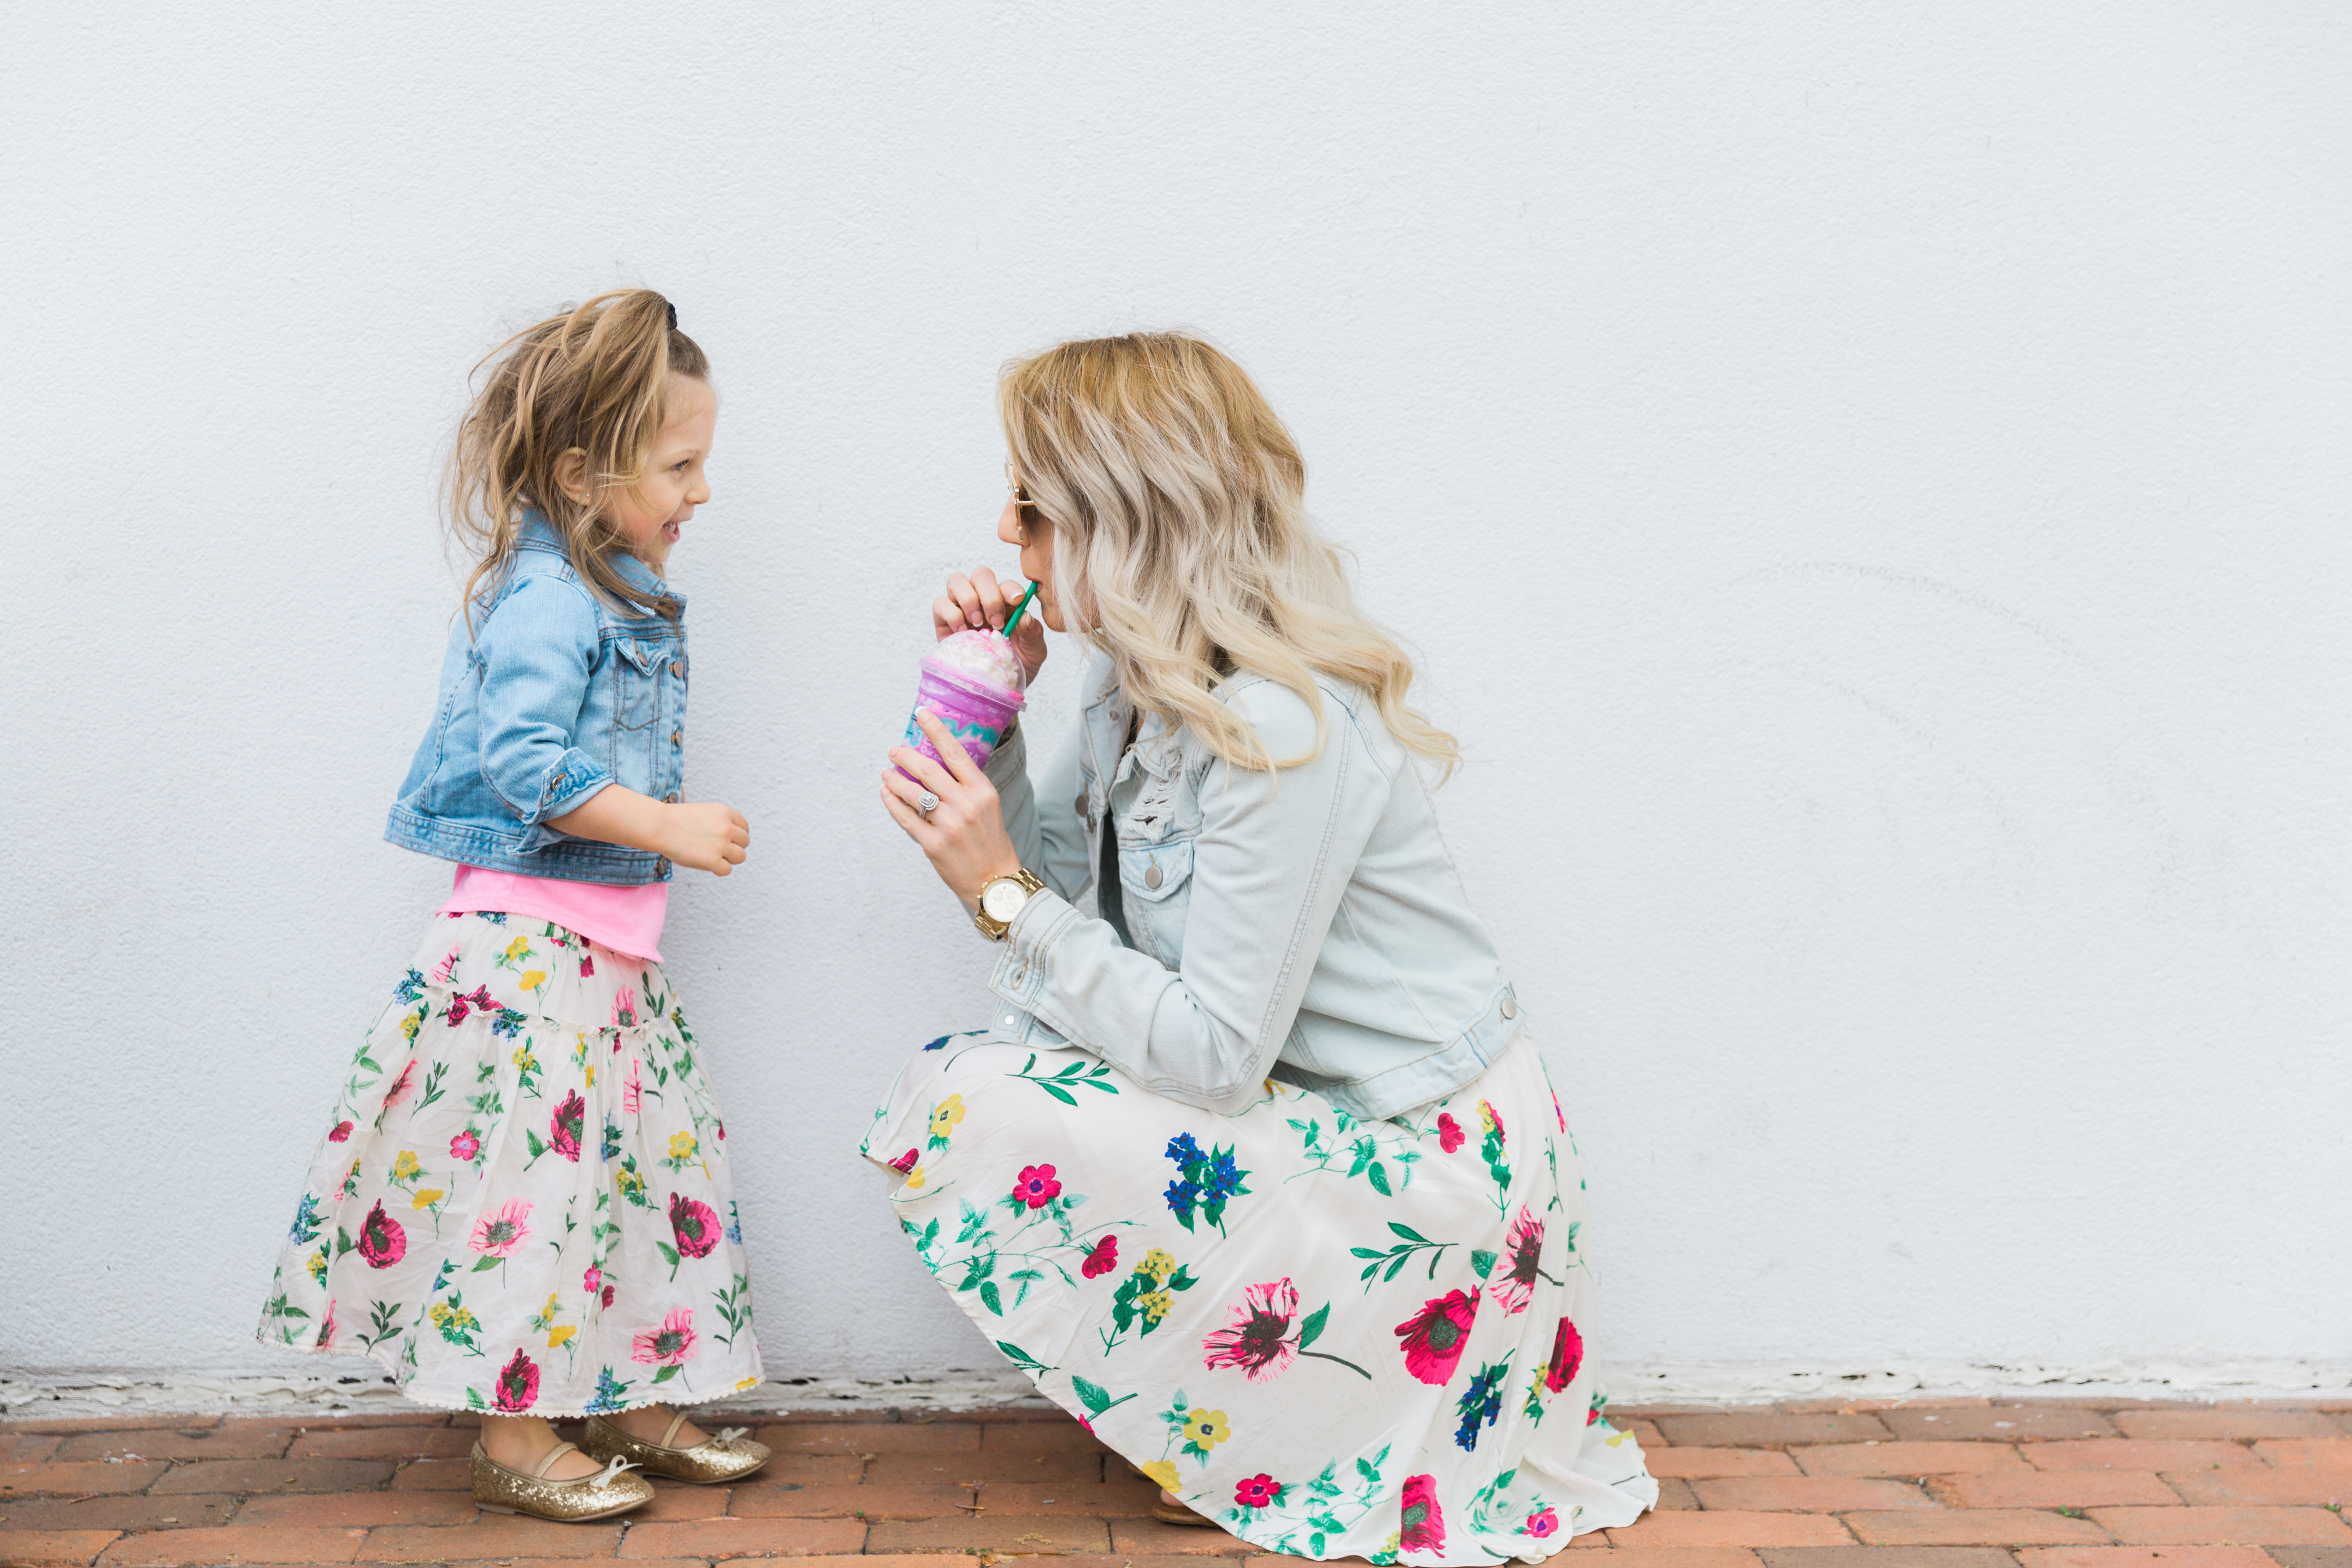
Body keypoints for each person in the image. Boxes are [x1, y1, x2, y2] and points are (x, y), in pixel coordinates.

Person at [869, 332, 1657, 1564]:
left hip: (1430, 1166)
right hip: (1329, 1128)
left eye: (1029, 508)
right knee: (983, 1081)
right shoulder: (1134, 688)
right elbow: (1084, 913)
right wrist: (1004, 730)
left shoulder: (1272, 724)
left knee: (981, 1095)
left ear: (1115, 520)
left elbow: (1213, 1050)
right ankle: (1281, 1412)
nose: (1009, 538)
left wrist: (1004, 900)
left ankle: (1309, 1416)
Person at [257, 289, 770, 1522]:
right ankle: (514, 1427)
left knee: (632, 1179)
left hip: (598, 951)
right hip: (530, 954)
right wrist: (669, 830)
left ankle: (632, 1392)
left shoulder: (611, 587)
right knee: (531, 1192)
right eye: (680, 465)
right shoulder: (550, 597)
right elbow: (522, 764)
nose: (700, 493)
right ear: (584, 474)